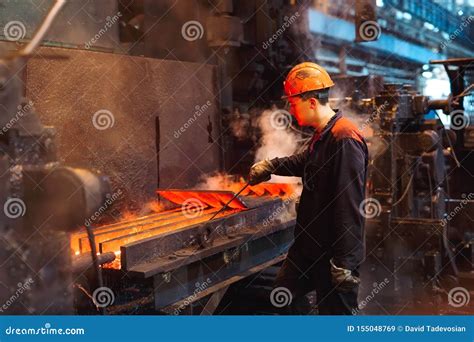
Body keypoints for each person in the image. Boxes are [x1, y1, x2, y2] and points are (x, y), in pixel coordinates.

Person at [249, 62, 368, 315]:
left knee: (337, 314)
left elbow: (349, 204)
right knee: (283, 295)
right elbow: (304, 162)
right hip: (309, 248)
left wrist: (345, 262)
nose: (291, 111)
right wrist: (270, 166)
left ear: (312, 102)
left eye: (293, 104)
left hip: (333, 253)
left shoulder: (343, 137)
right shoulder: (324, 134)